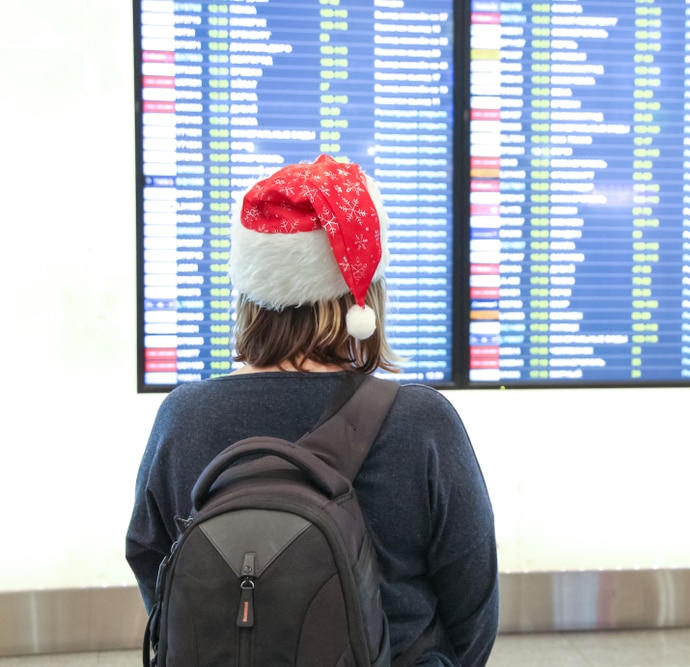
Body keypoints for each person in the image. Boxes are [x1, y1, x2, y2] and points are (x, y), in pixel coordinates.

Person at [126, 155, 500, 666]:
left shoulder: (183, 417)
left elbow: (155, 569)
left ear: (250, 297)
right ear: (362, 297)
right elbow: (473, 607)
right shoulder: (421, 422)